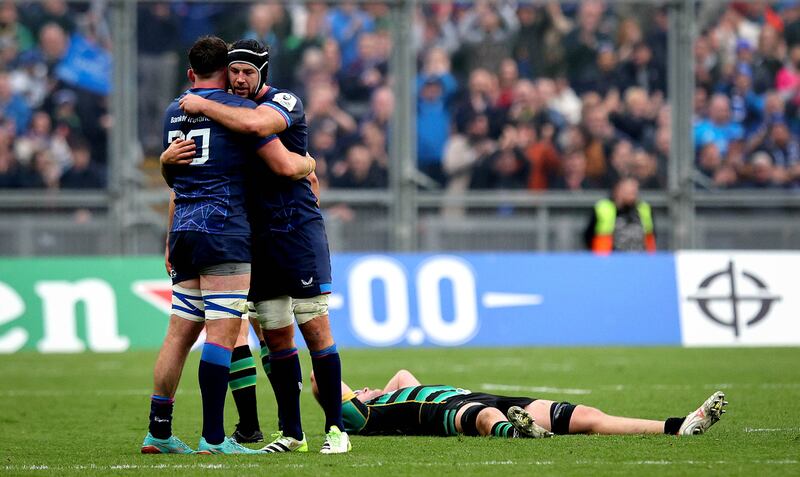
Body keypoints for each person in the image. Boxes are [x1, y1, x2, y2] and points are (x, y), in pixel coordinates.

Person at [168, 39, 349, 454]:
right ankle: (293, 433)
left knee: (315, 327)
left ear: (263, 73)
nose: (240, 79)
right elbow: (189, 177)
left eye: (249, 72)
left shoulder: (278, 104)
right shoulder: (230, 113)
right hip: (256, 237)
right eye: (234, 71)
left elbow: (272, 149)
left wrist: (308, 164)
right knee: (276, 335)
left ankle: (337, 431)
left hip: (296, 231)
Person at [142, 36, 314, 456]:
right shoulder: (241, 111)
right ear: (224, 73)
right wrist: (308, 165)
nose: (238, 80)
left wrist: (165, 164)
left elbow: (174, 176)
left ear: (190, 73)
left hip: (182, 229)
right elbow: (280, 162)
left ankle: (159, 432)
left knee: (177, 336)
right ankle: (214, 439)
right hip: (224, 232)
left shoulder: (172, 111)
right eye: (233, 73)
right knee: (223, 333)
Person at [312, 369, 727, 439]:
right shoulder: (365, 417)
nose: (365, 389)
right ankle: (521, 434)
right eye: (359, 390)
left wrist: (381, 389)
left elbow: (402, 374)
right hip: (445, 415)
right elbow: (320, 379)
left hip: (476, 396)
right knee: (489, 419)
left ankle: (675, 426)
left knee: (583, 415)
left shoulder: (398, 390)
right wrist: (358, 400)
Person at [584, 176, 656, 254]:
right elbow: (588, 236)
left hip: (640, 259)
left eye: (634, 191)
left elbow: (651, 235)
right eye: (628, 191)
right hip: (609, 260)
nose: (632, 195)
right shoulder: (603, 208)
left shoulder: (644, 209)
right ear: (618, 190)